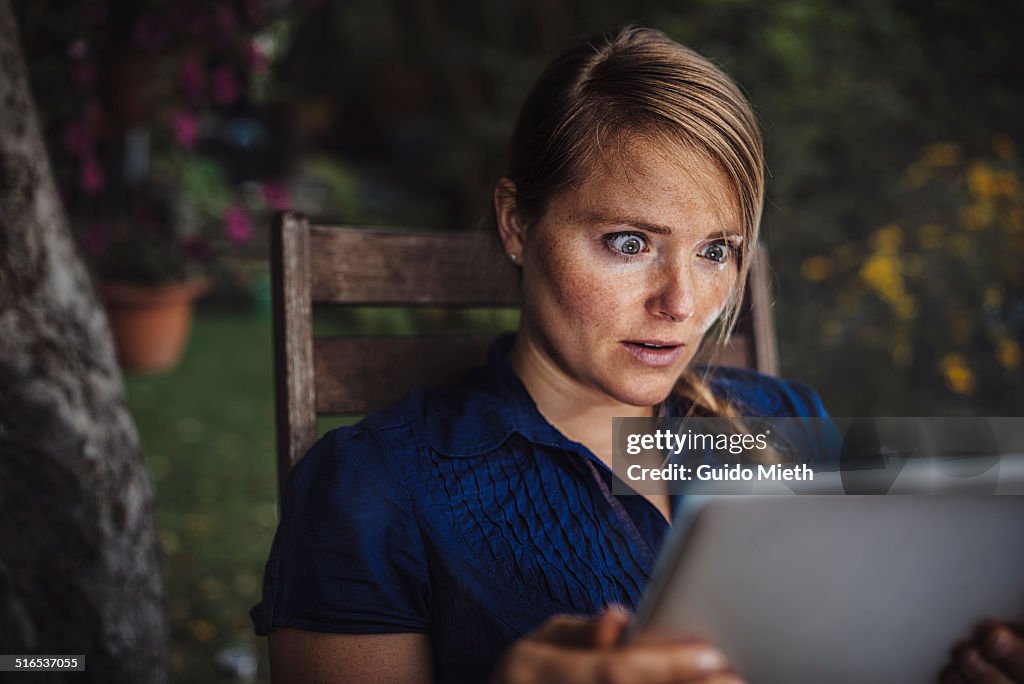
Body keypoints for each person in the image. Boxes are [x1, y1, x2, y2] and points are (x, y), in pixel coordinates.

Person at [252, 26, 1024, 683]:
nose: (681, 304)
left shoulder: (781, 421)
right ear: (517, 222)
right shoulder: (374, 486)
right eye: (629, 243)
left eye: (716, 250)